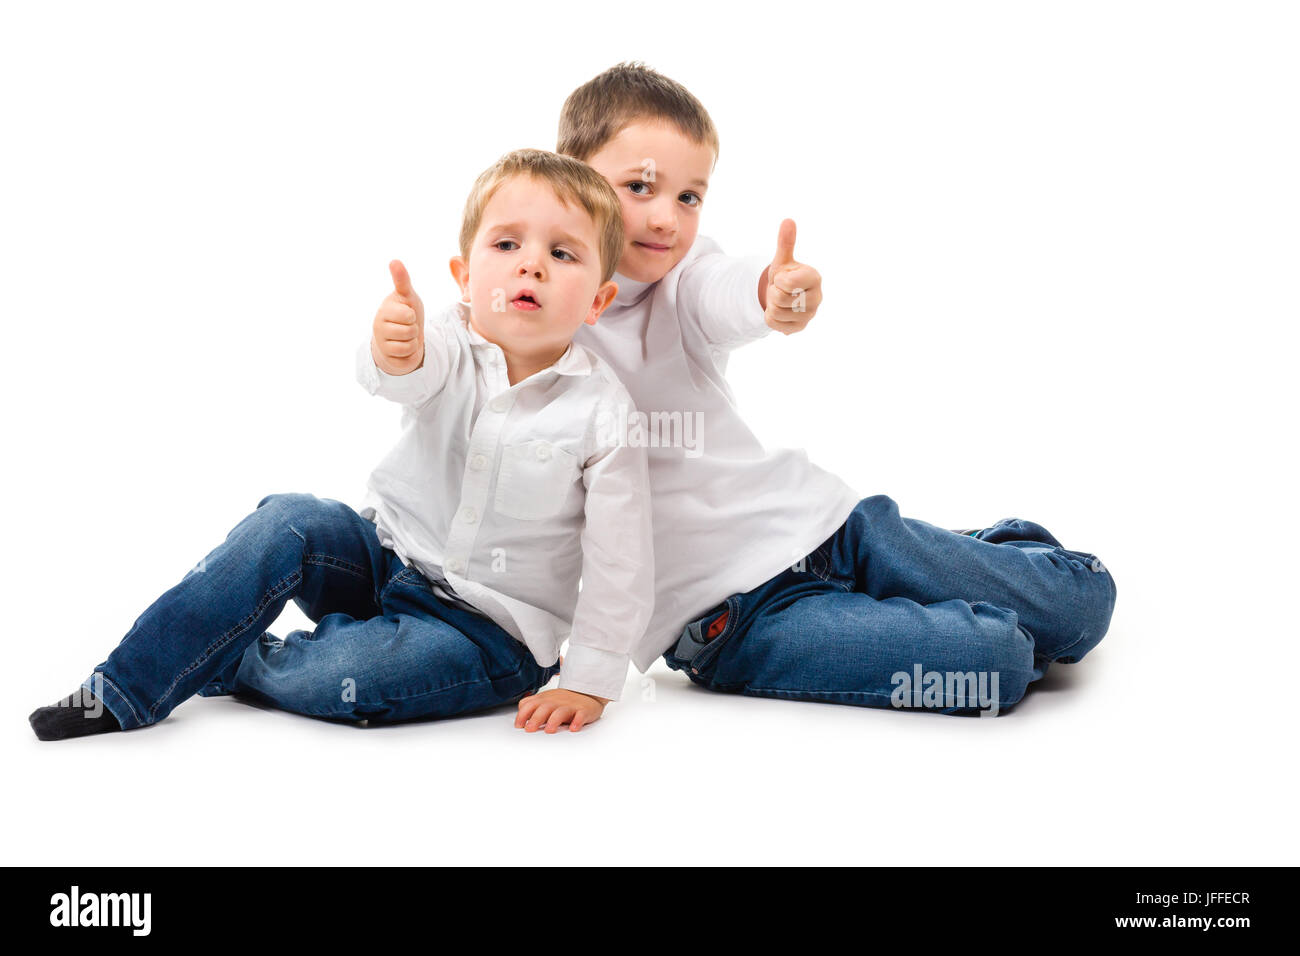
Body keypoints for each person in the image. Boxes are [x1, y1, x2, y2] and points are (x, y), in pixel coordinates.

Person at [548, 61, 1117, 715]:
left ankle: (983, 555)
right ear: (571, 178)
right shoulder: (541, 337)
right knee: (995, 665)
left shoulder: (682, 281)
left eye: (689, 197)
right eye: (640, 186)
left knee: (1086, 603)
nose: (667, 219)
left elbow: (724, 292)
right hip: (739, 622)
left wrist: (771, 293)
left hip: (832, 528)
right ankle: (961, 591)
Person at [28, 148, 653, 740]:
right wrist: (395, 351)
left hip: (485, 634)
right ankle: (127, 687)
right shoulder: (448, 339)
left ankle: (231, 656)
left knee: (350, 678)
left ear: (598, 300)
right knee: (290, 520)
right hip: (385, 560)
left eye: (563, 254)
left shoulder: (601, 412)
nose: (531, 264)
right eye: (507, 243)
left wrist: (589, 683)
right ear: (464, 275)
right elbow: (406, 376)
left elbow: (620, 562)